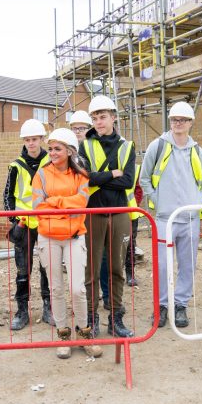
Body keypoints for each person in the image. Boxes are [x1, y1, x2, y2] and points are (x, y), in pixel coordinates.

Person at [32, 128, 103, 359]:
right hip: (48, 238)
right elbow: (38, 207)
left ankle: (84, 333)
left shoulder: (81, 175)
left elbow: (81, 202)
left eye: (57, 149)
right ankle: (63, 334)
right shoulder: (41, 175)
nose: (52, 152)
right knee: (56, 288)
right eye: (50, 148)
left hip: (74, 237)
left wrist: (56, 203)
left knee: (77, 288)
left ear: (70, 151)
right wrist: (65, 209)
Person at [140, 102, 202, 328]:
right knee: (162, 266)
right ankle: (161, 306)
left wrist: (196, 205)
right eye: (174, 119)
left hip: (190, 220)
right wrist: (158, 203)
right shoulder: (157, 146)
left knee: (188, 265)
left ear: (190, 122)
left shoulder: (197, 151)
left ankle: (180, 305)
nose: (177, 123)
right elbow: (144, 178)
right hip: (164, 220)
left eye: (182, 119)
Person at [79, 95, 136, 338]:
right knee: (90, 269)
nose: (99, 122)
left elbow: (128, 181)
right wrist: (113, 173)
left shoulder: (127, 146)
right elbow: (84, 178)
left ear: (113, 117)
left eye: (103, 117)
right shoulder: (85, 145)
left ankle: (116, 318)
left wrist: (100, 178)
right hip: (92, 213)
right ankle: (91, 319)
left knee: (116, 268)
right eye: (95, 118)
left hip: (120, 213)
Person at [4, 118, 52, 330]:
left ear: (42, 139)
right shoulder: (16, 166)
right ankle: (22, 311)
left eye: (34, 139)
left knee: (46, 267)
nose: (31, 143)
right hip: (24, 225)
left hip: (45, 223)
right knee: (23, 269)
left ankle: (48, 307)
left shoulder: (51, 162)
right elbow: (8, 196)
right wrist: (15, 220)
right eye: (27, 140)